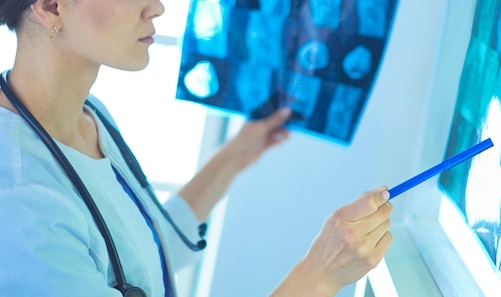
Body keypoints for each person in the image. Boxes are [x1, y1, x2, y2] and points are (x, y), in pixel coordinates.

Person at [0, 0, 394, 296]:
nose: (157, 8)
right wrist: (321, 273)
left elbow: (145, 252)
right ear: (52, 8)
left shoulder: (87, 117)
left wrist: (237, 153)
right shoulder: (21, 208)